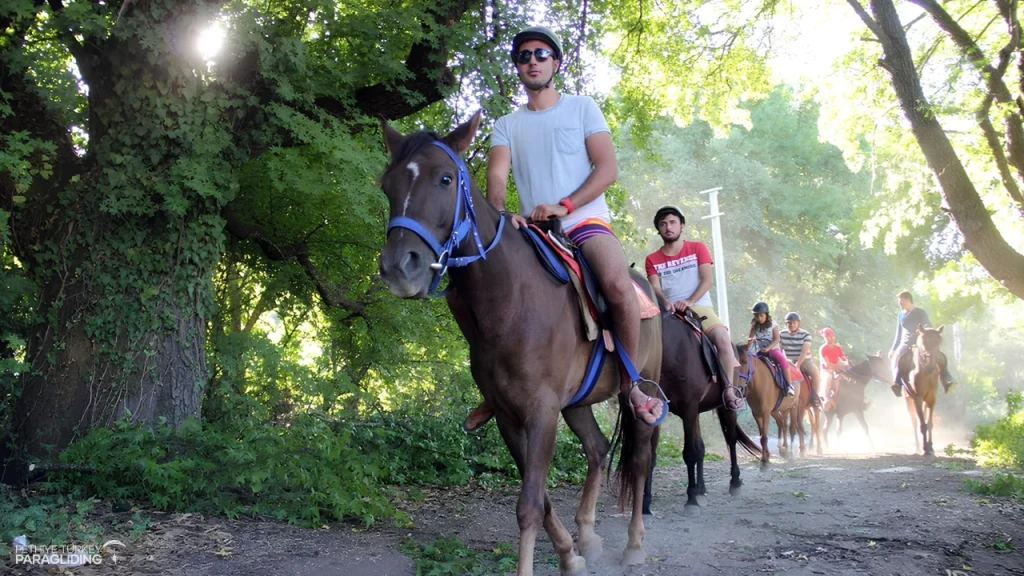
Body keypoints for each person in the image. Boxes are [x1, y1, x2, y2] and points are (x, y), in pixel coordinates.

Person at [463, 25, 665, 432]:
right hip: (532, 230)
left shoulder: (582, 107)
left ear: (555, 62)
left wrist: (566, 204)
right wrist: (502, 214)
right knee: (462, 291)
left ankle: (631, 385)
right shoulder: (506, 125)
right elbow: (497, 177)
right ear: (517, 68)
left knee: (618, 285)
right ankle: (493, 387)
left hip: (584, 220)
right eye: (523, 56)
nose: (532, 61)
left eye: (540, 54)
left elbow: (607, 169)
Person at [645, 205, 743, 410]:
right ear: (658, 229)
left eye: (672, 222)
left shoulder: (698, 248)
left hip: (699, 307)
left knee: (723, 340)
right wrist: (665, 301)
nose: (668, 227)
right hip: (669, 312)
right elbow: (655, 287)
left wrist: (689, 301)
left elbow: (707, 280)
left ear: (682, 225)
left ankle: (729, 389)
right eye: (663, 224)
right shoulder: (652, 259)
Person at [888, 290, 955, 396]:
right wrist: (893, 348)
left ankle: (946, 379)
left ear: (908, 300)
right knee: (898, 356)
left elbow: (927, 325)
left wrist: (924, 333)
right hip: (905, 342)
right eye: (899, 301)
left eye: (901, 300)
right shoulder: (900, 315)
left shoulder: (920, 312)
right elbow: (899, 333)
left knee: (939, 355)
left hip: (921, 341)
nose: (899, 303)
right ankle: (897, 383)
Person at [747, 302, 795, 396]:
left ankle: (789, 385)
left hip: (773, 349)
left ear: (766, 315)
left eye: (761, 315)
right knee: (750, 363)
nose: (759, 318)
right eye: (757, 316)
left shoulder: (773, 324)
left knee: (782, 359)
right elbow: (750, 339)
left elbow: (777, 339)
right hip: (760, 351)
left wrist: (768, 348)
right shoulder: (754, 325)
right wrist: (748, 346)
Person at [780, 312, 820, 405]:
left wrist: (797, 365)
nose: (792, 325)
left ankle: (815, 396)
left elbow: (804, 352)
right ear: (786, 324)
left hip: (805, 360)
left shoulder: (806, 334)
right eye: (789, 323)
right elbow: (779, 349)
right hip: (789, 360)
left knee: (815, 372)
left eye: (794, 322)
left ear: (798, 323)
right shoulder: (781, 334)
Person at [818, 327, 848, 405]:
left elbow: (843, 358)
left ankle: (859, 398)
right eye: (827, 337)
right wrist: (841, 366)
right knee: (828, 377)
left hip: (836, 370)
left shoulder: (837, 347)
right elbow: (828, 365)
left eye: (831, 336)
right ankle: (826, 398)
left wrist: (847, 362)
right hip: (826, 370)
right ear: (824, 338)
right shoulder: (823, 348)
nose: (830, 338)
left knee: (849, 376)